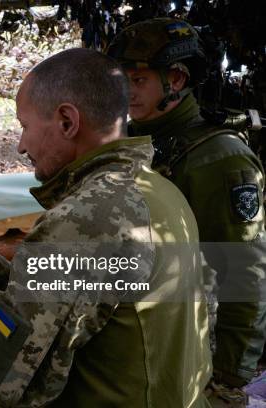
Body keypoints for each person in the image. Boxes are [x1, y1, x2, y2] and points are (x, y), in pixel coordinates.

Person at [0, 48, 212, 407]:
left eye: (24, 126)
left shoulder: (88, 217)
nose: (22, 146)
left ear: (67, 122)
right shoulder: (159, 192)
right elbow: (78, 296)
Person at [107, 18, 266, 406]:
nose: (126, 91)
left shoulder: (218, 158)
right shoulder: (132, 139)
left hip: (196, 350)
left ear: (175, 80)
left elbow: (245, 271)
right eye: (121, 79)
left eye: (139, 79)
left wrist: (231, 376)